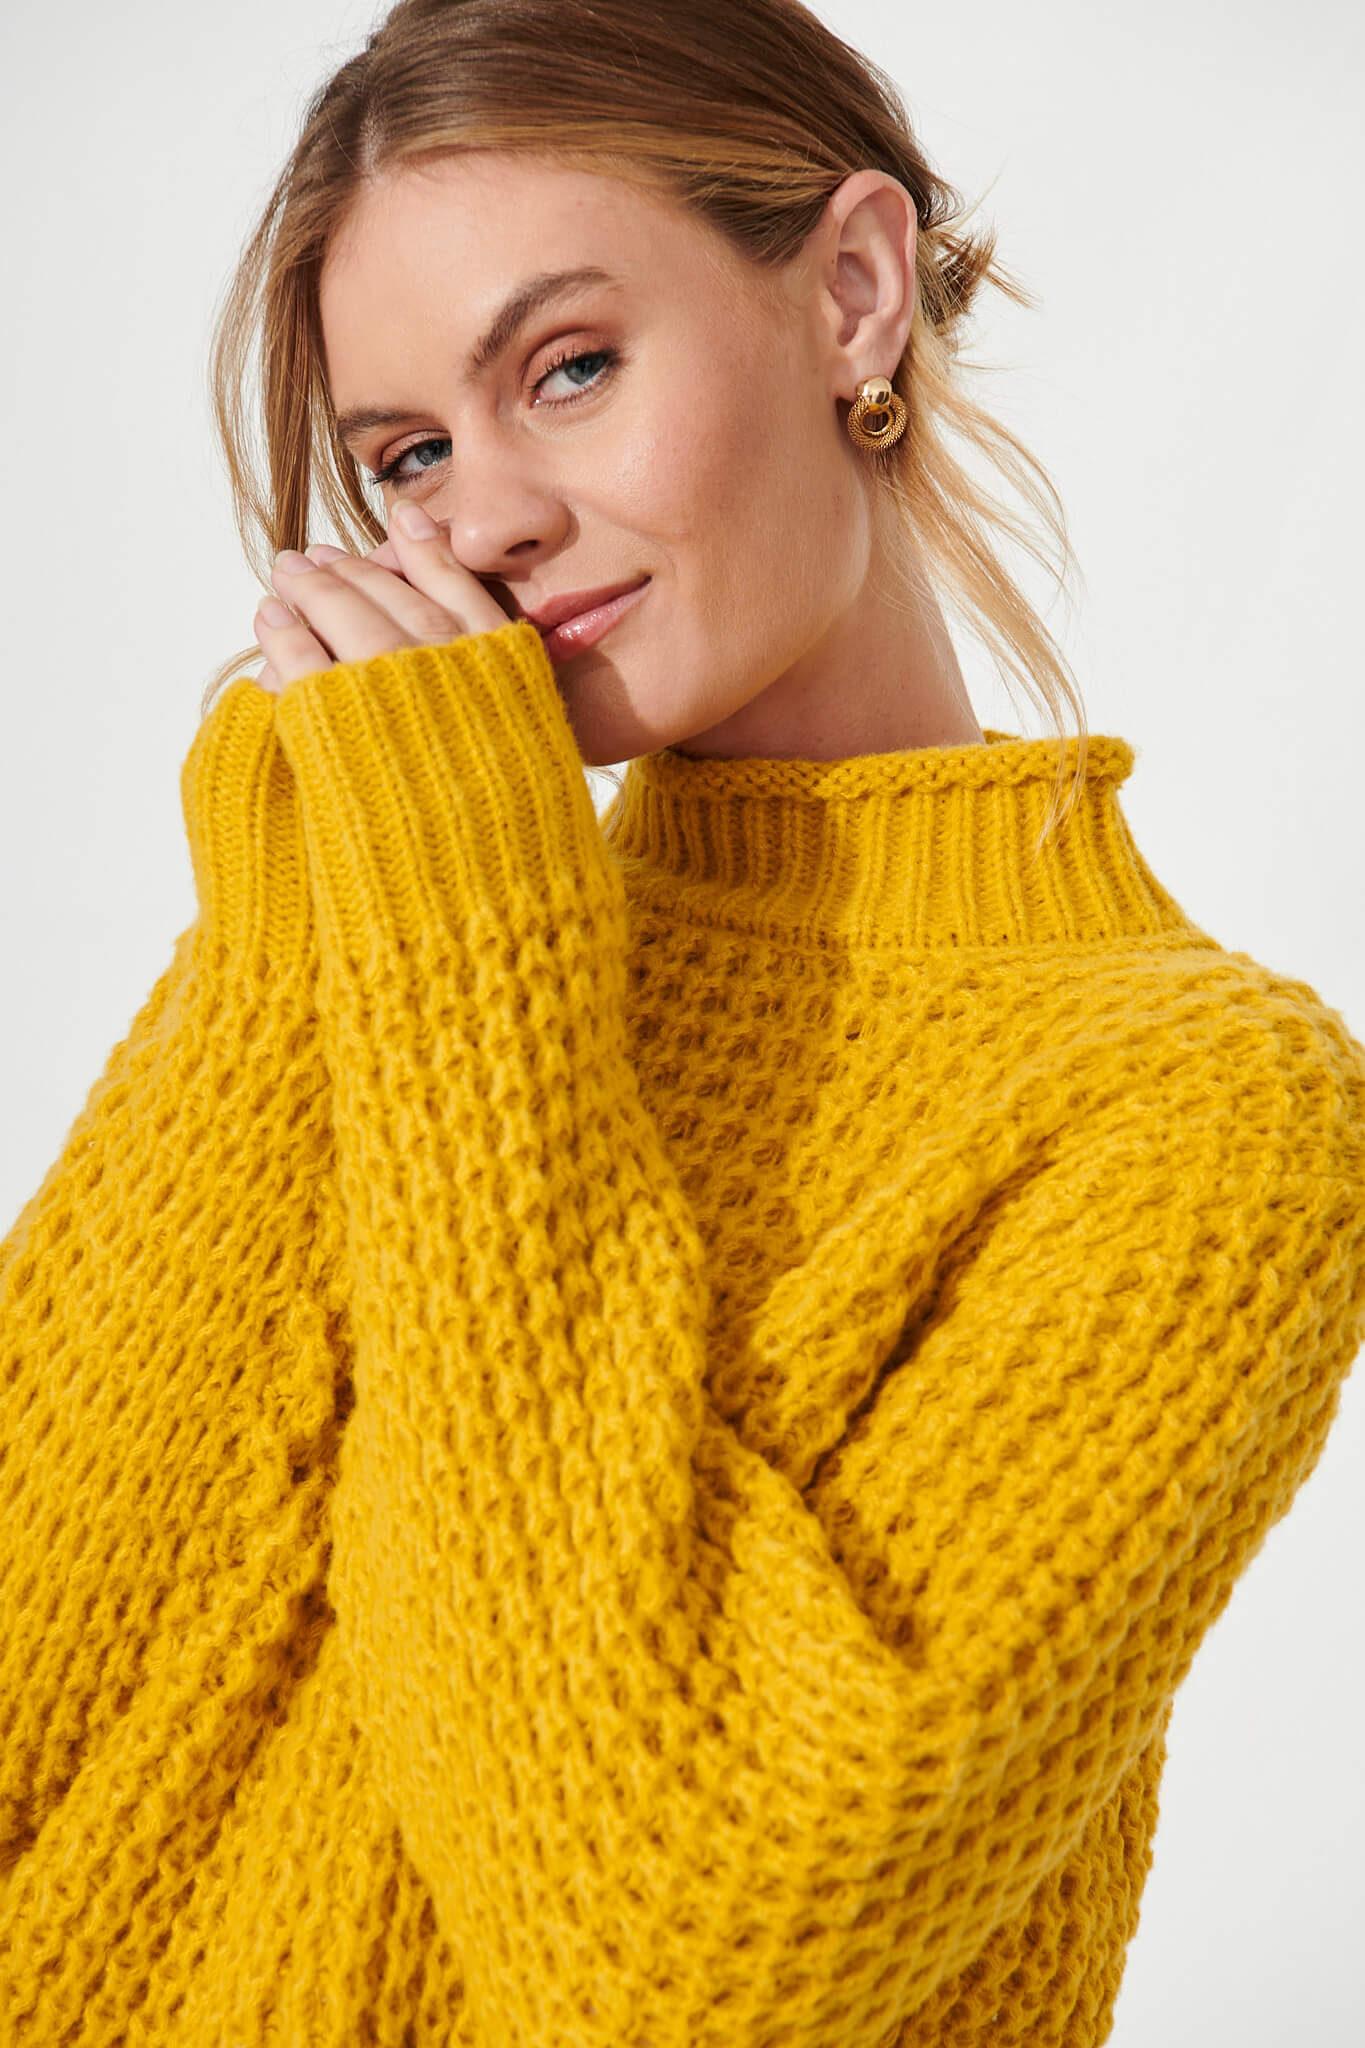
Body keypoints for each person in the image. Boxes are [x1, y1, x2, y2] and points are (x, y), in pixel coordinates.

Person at [2, 3, 1362, 2044]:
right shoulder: (418, 917)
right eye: (407, 459)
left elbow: (677, 1962)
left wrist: (464, 952)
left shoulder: (1196, 1117)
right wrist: (292, 952)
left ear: (850, 293)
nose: (480, 521)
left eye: (567, 368)